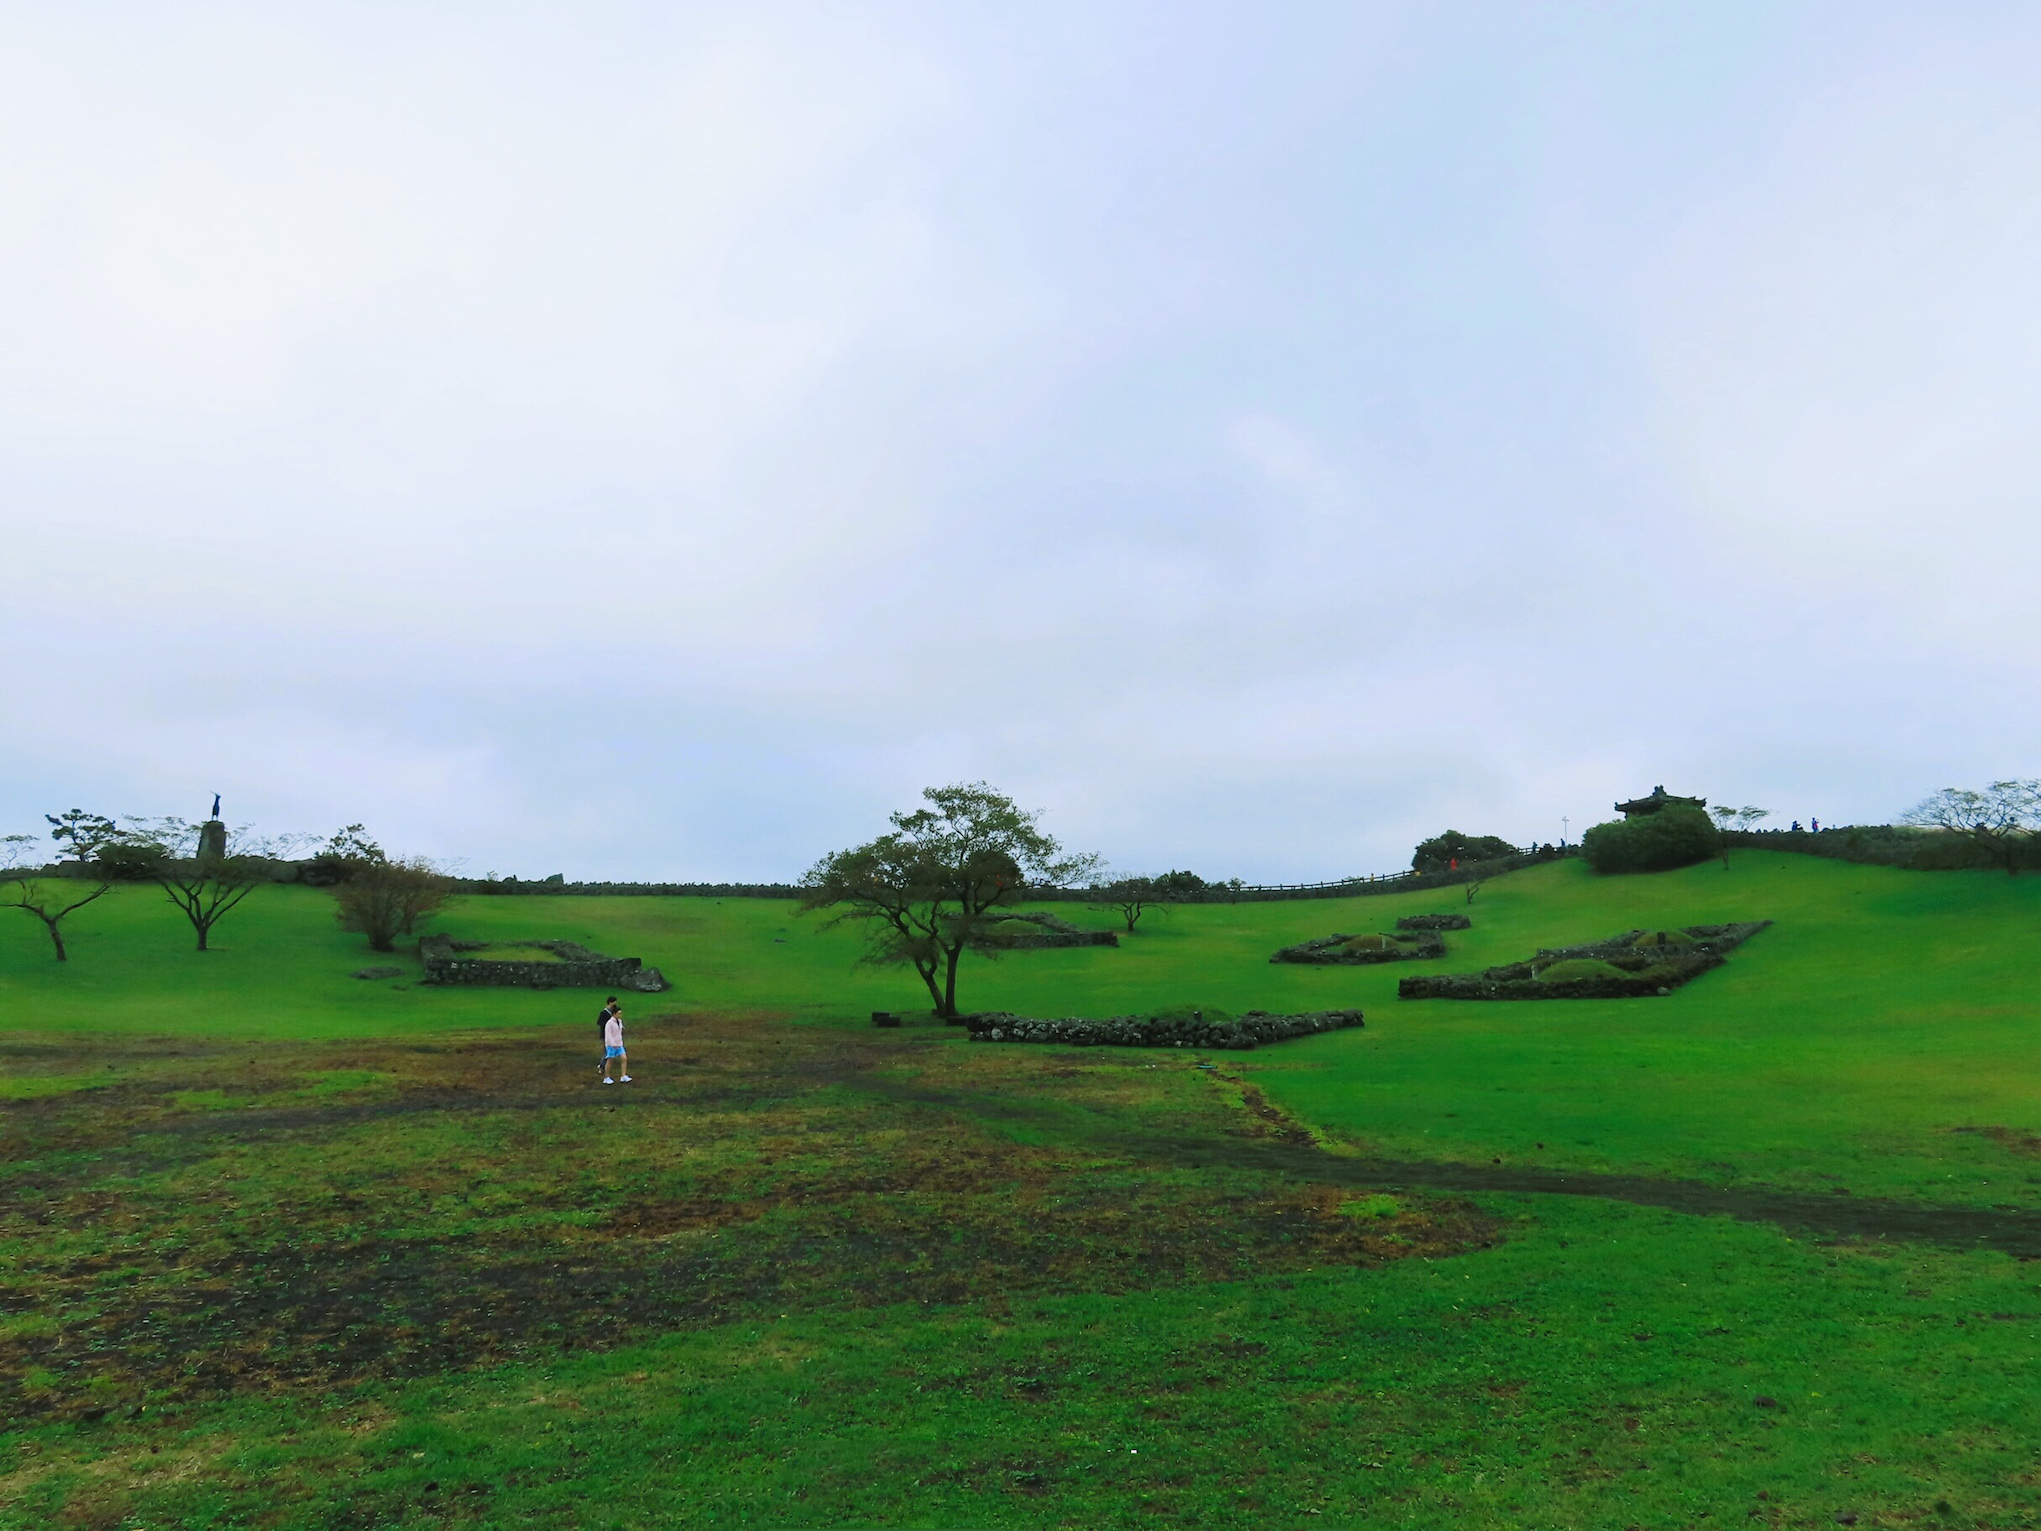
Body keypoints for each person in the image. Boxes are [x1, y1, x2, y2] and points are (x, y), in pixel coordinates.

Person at [602, 1003, 630, 1084]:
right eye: (619, 1013)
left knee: (624, 1058)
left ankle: (623, 1076)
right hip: (611, 1046)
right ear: (614, 1014)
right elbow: (608, 1035)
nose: (620, 1015)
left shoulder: (619, 1021)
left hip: (619, 1044)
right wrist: (612, 1044)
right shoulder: (609, 1023)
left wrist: (620, 1043)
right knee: (610, 1060)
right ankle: (606, 1077)